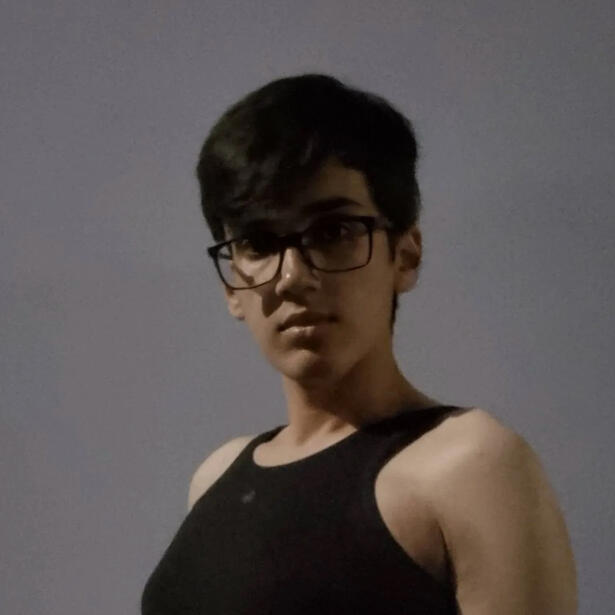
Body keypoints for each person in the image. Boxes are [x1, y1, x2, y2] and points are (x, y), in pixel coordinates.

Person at [141, 74, 577, 614]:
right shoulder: (215, 477)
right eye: (258, 241)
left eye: (333, 232)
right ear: (232, 284)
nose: (291, 277)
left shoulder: (468, 465)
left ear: (405, 254)